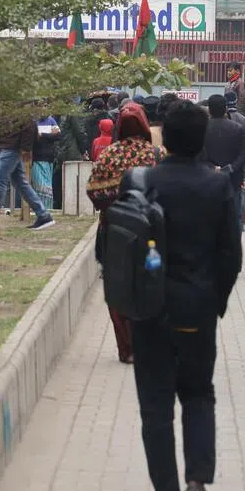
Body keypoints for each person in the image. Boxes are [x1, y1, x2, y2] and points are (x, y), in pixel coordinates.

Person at [128, 100, 241, 491]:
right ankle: (197, 481)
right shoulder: (217, 185)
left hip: (148, 311)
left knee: (155, 407)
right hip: (198, 309)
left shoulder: (140, 181)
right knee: (198, 394)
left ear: (165, 138)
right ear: (202, 139)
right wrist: (216, 301)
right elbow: (231, 254)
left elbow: (117, 248)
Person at [87, 100, 163, 365]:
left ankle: (127, 348)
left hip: (115, 233)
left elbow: (93, 192)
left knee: (118, 290)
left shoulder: (109, 154)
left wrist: (115, 205)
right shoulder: (157, 155)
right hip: (150, 234)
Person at [200, 94, 245, 233]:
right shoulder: (238, 128)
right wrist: (231, 168)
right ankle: (234, 245)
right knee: (234, 217)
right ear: (226, 108)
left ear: (209, 110)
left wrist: (212, 167)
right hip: (233, 179)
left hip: (208, 178)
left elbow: (198, 153)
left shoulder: (202, 129)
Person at [0, 117, 54, 230]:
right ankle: (43, 215)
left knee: (0, 180)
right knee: (20, 182)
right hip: (9, 146)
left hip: (11, 147)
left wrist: (26, 149)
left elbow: (29, 125)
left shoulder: (21, 111)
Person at [33, 117, 61, 213]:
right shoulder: (33, 121)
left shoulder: (51, 120)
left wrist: (42, 135)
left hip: (49, 158)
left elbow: (58, 136)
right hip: (37, 158)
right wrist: (49, 135)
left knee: (47, 185)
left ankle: (47, 209)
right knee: (40, 185)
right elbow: (32, 137)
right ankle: (41, 209)